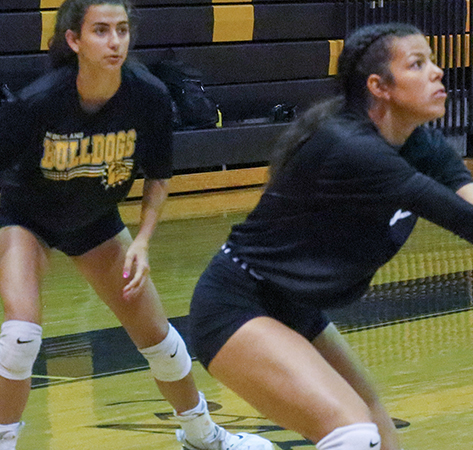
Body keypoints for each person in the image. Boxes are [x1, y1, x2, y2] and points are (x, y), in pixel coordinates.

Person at [187, 23, 473, 450]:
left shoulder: (420, 143)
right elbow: (458, 218)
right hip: (238, 305)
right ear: (379, 86)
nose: (437, 71)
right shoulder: (350, 146)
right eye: (417, 64)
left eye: (432, 61)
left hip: (296, 308)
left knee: (378, 430)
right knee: (353, 434)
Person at [0, 1, 274, 449]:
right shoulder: (39, 101)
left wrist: (143, 241)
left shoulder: (148, 95)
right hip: (26, 216)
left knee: (160, 341)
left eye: (122, 30)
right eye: (101, 31)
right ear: (74, 40)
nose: (115, 42)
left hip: (94, 218)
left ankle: (203, 436)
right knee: (20, 335)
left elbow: (159, 176)